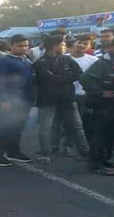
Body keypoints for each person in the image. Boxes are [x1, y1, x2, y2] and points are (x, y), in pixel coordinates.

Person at [80, 36, 114, 176]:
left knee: (112, 134)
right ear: (112, 47)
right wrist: (101, 92)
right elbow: (84, 79)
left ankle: (105, 159)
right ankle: (94, 164)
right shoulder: (104, 63)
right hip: (104, 105)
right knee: (100, 135)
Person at [32, 36, 87, 164]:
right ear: (54, 46)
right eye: (62, 45)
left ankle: (85, 152)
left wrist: (60, 78)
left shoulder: (67, 59)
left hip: (67, 98)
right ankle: (45, 153)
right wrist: (65, 78)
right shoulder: (40, 62)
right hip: (47, 100)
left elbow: (78, 74)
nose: (65, 47)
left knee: (77, 126)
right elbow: (45, 80)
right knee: (45, 128)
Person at [0, 34, 35, 167]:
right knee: (5, 128)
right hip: (10, 101)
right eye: (19, 46)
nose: (23, 48)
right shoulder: (3, 61)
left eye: (25, 45)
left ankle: (13, 152)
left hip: (25, 100)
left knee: (17, 128)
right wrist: (4, 100)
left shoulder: (26, 60)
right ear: (11, 46)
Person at [52, 35, 98, 155]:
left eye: (85, 44)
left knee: (76, 123)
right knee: (59, 122)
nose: (82, 45)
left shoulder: (93, 60)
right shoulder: (63, 58)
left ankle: (69, 145)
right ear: (74, 43)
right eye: (80, 42)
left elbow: (97, 78)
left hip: (83, 95)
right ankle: (55, 146)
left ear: (89, 46)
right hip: (64, 95)